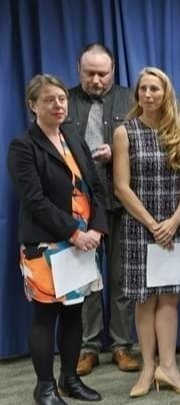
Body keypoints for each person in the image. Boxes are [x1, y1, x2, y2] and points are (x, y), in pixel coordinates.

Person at [8, 74, 105, 404]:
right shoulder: (23, 146)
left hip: (84, 241)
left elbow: (94, 187)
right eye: (49, 100)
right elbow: (34, 200)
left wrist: (96, 229)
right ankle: (45, 387)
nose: (58, 105)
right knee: (45, 316)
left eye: (62, 99)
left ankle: (70, 379)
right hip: (47, 243)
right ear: (33, 105)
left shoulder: (72, 136)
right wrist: (74, 232)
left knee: (74, 314)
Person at [113, 67, 180, 397]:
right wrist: (152, 224)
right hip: (139, 228)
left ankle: (169, 368)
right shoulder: (125, 132)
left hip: (175, 226)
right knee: (145, 300)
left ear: (166, 94)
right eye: (143, 89)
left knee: (169, 300)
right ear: (137, 93)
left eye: (155, 89)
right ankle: (147, 368)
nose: (148, 95)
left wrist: (175, 220)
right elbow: (121, 187)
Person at [65, 42, 139, 376]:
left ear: (113, 71)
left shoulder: (131, 98)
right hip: (80, 207)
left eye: (103, 74)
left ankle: (122, 346)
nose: (96, 80)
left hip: (122, 202)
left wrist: (120, 151)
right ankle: (88, 348)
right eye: (89, 73)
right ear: (79, 70)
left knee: (122, 277)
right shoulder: (63, 101)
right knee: (87, 280)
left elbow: (149, 142)